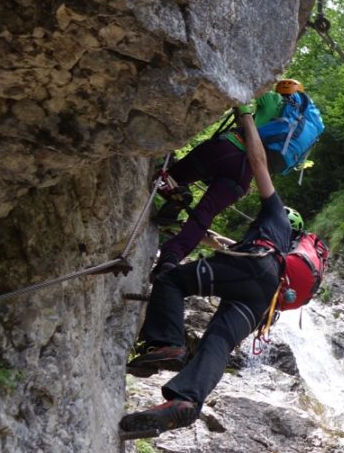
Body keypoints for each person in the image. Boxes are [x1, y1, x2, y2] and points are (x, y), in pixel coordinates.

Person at [120, 104, 295, 433]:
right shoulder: (284, 249)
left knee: (172, 280)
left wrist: (245, 116)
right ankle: (185, 400)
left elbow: (257, 162)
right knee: (219, 343)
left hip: (254, 267)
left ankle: (166, 342)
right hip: (262, 300)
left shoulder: (276, 216)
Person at [151, 79, 315, 280]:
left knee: (169, 175)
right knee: (205, 214)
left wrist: (243, 108)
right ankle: (170, 259)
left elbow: (244, 87)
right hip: (244, 175)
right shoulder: (299, 127)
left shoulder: (273, 100)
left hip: (227, 148)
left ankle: (177, 193)